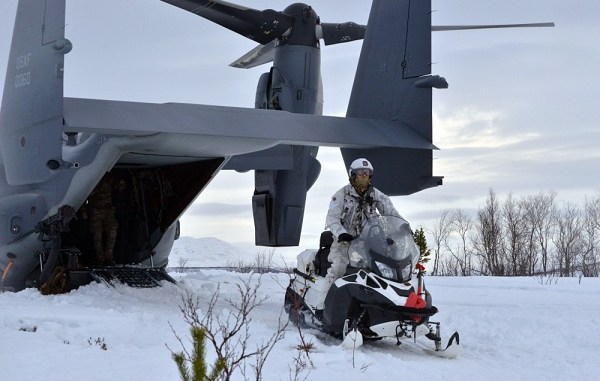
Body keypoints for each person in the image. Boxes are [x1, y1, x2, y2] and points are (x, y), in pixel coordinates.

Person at [324, 158, 402, 283]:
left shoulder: (375, 194)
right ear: (353, 175)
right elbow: (332, 218)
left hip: (367, 242)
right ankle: (323, 302)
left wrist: (401, 226)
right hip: (344, 241)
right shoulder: (342, 194)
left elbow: (390, 211)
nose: (364, 176)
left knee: (380, 270)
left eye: (366, 173)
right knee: (338, 270)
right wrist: (341, 233)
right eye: (360, 173)